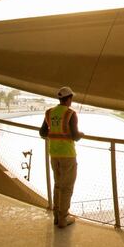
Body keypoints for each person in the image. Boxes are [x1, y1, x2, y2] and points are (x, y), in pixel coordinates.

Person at [39, 86, 83, 228]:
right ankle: (64, 218)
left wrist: (55, 134)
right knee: (67, 187)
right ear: (69, 99)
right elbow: (75, 136)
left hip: (54, 154)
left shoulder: (49, 112)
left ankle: (57, 216)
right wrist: (81, 134)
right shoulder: (71, 113)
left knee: (58, 185)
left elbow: (43, 133)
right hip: (68, 155)